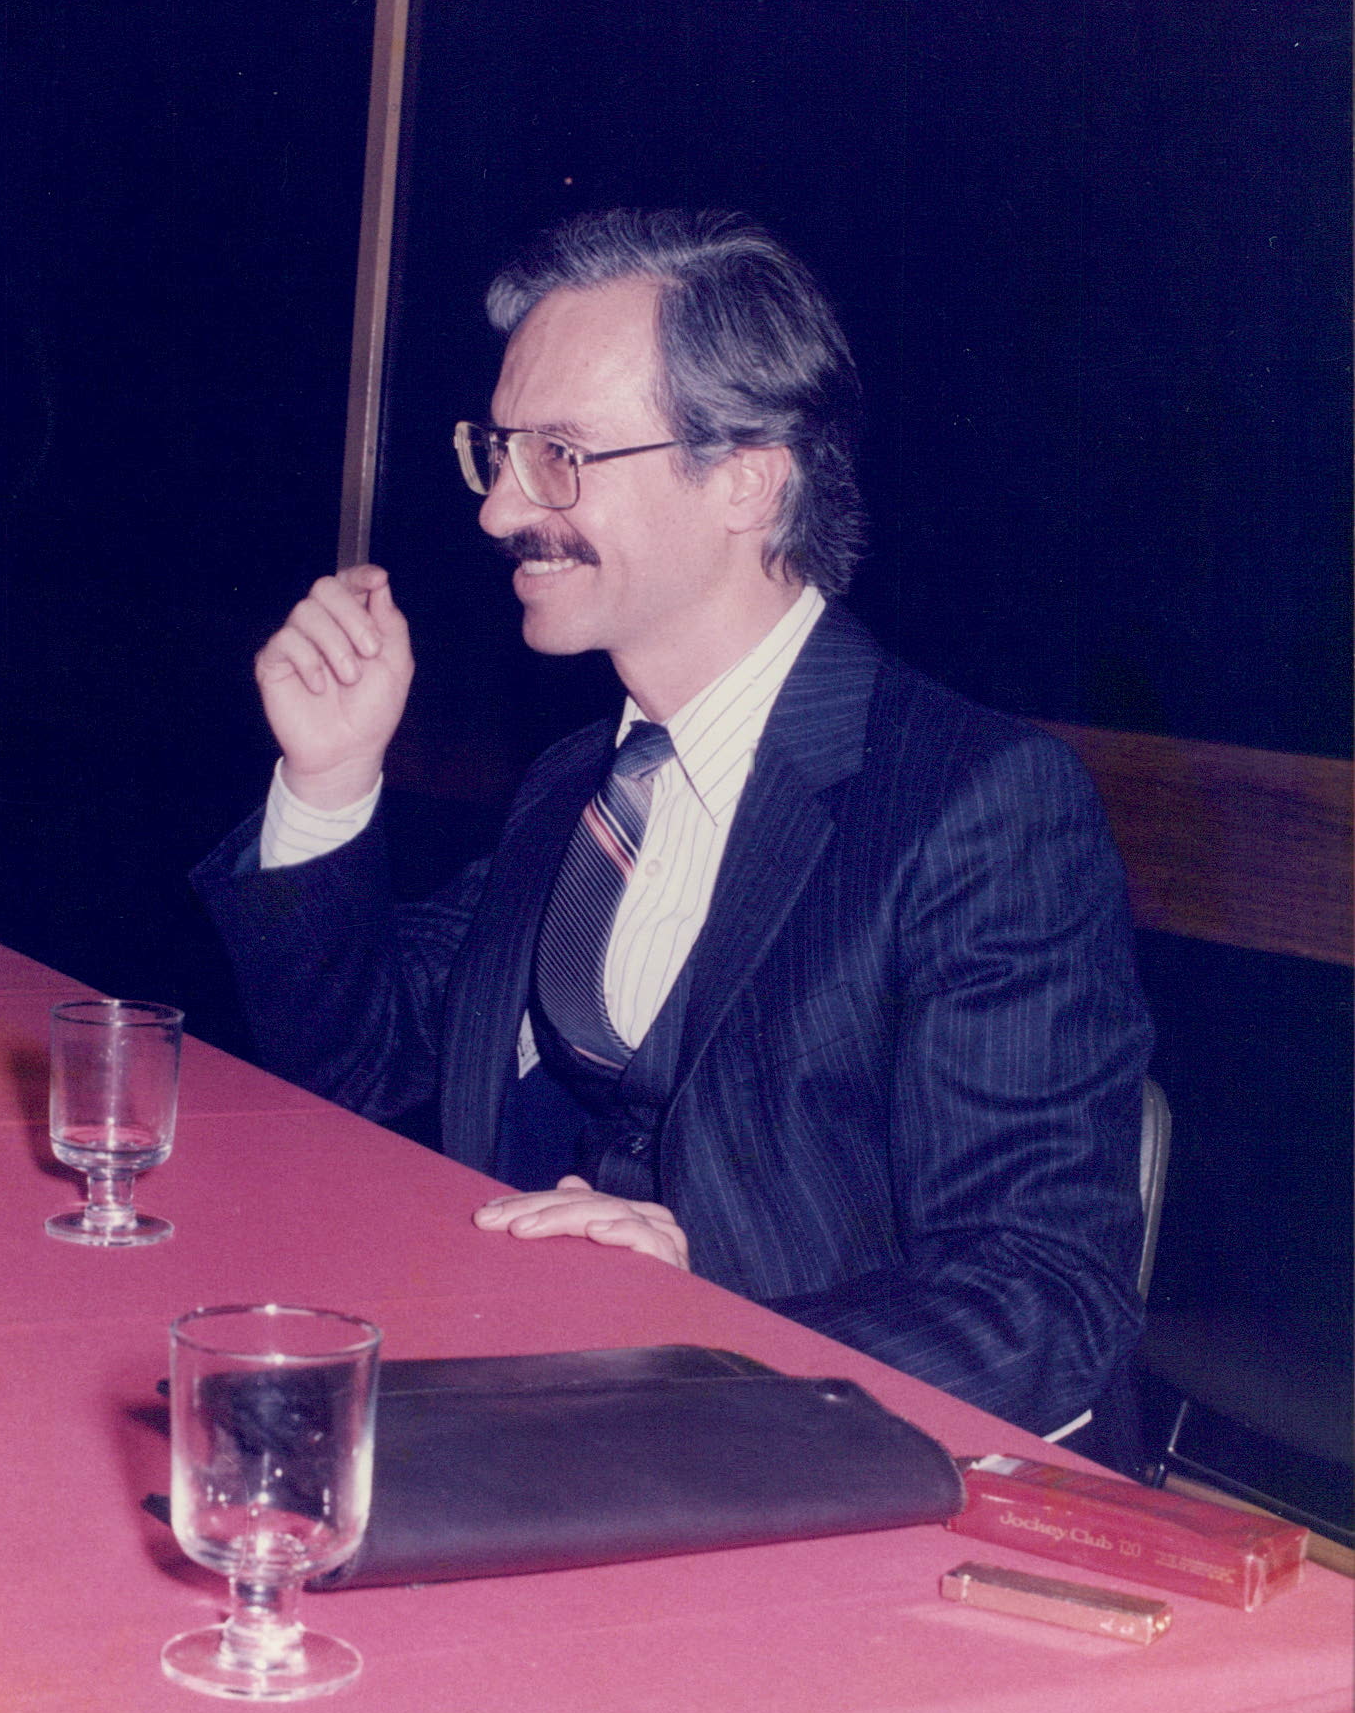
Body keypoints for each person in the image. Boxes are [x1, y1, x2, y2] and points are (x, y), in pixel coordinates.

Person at [194, 207, 1151, 1442]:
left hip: (822, 1459)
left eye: (560, 454)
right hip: (553, 1407)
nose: (498, 510)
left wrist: (713, 1334)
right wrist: (328, 779)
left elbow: (1046, 1295)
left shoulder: (979, 805)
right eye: (498, 451)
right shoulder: (576, 785)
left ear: (746, 478)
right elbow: (357, 1062)